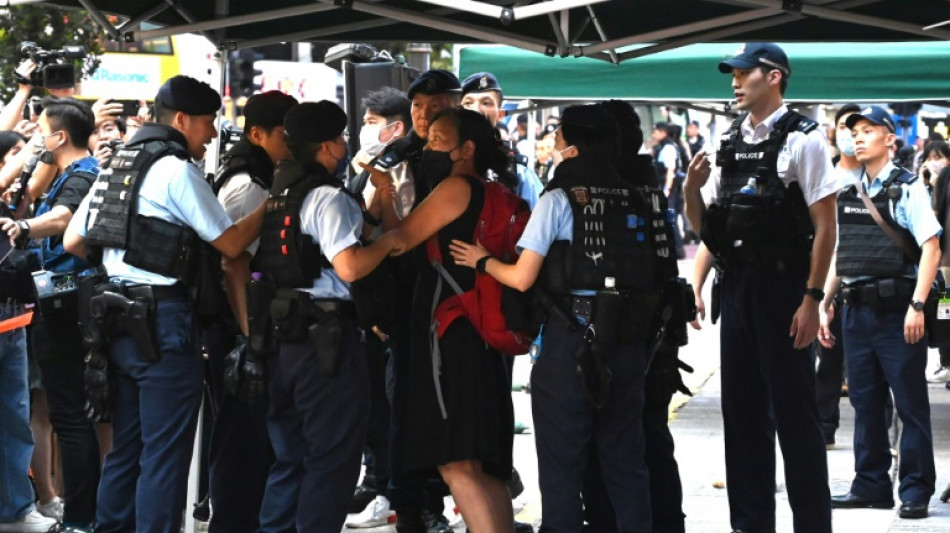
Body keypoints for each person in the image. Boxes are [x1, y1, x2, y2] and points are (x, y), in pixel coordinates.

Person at [450, 104, 667, 532]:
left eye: (559, 139)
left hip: (572, 341)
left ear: (573, 148)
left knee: (562, 464)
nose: (554, 147)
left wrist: (482, 261)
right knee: (626, 462)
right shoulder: (640, 198)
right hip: (629, 341)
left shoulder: (559, 199)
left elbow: (522, 276)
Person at [63, 75, 265, 533]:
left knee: (128, 448)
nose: (212, 134)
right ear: (181, 120)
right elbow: (231, 244)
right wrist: (272, 209)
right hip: (164, 322)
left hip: (114, 321)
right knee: (165, 454)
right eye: (208, 123)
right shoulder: (176, 170)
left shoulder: (117, 166)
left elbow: (74, 241)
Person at [683, 42, 837, 533]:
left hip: (784, 289)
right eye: (733, 72)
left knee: (795, 417)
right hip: (738, 289)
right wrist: (690, 192)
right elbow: (708, 229)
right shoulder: (727, 141)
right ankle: (751, 524)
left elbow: (826, 226)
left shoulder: (804, 139)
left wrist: (813, 299)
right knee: (743, 417)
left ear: (774, 77)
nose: (734, 80)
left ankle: (812, 524)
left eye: (744, 72)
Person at [363, 108, 518, 533]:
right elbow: (410, 236)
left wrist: (358, 253)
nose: (427, 146)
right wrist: (392, 199)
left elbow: (400, 241)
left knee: (456, 463)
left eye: (437, 139)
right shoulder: (490, 188)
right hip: (475, 330)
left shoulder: (456, 187)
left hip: (450, 336)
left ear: (465, 149)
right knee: (482, 467)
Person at [251, 100, 399, 533]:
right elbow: (350, 265)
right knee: (332, 457)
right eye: (341, 138)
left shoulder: (279, 193)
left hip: (281, 338)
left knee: (289, 456)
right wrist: (390, 242)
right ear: (329, 146)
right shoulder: (326, 197)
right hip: (326, 343)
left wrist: (375, 210)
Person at [819, 105, 940, 520]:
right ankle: (870, 484)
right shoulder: (850, 188)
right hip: (855, 312)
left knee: (909, 404)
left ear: (890, 138)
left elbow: (931, 248)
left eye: (868, 130)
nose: (858, 136)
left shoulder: (907, 187)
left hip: (896, 311)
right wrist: (824, 302)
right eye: (854, 131)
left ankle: (915, 488)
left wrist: (918, 306)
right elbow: (843, 253)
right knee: (866, 403)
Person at [0, 97, 101, 531]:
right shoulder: (62, 173)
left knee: (70, 418)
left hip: (66, 307)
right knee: (62, 415)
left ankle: (81, 517)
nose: (35, 139)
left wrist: (24, 228)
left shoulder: (84, 173)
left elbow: (63, 218)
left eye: (41, 131)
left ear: (59, 137)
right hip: (51, 307)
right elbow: (37, 201)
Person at [371, 69, 462, 533]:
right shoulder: (395, 158)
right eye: (418, 108)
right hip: (407, 303)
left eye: (435, 106)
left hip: (462, 304)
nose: (424, 116)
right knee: (406, 406)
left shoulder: (475, 155)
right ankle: (413, 505)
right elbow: (375, 229)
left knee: (454, 407)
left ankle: (450, 498)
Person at [204, 90, 298, 533]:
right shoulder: (247, 185)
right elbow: (232, 261)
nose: (294, 143)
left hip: (255, 331)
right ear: (258, 134)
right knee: (243, 444)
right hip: (242, 336)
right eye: (287, 134)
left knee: (258, 443)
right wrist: (249, 338)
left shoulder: (265, 173)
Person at [345, 86, 410, 528]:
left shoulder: (399, 169)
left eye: (371, 123)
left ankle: (390, 488)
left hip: (390, 305)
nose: (364, 131)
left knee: (389, 403)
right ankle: (378, 481)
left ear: (395, 128)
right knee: (373, 402)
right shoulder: (370, 168)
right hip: (368, 307)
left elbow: (394, 239)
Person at [460, 71, 544, 208]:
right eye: (468, 102)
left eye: (486, 103)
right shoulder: (442, 160)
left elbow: (537, 224)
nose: (476, 109)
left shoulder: (518, 172)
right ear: (458, 109)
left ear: (500, 114)